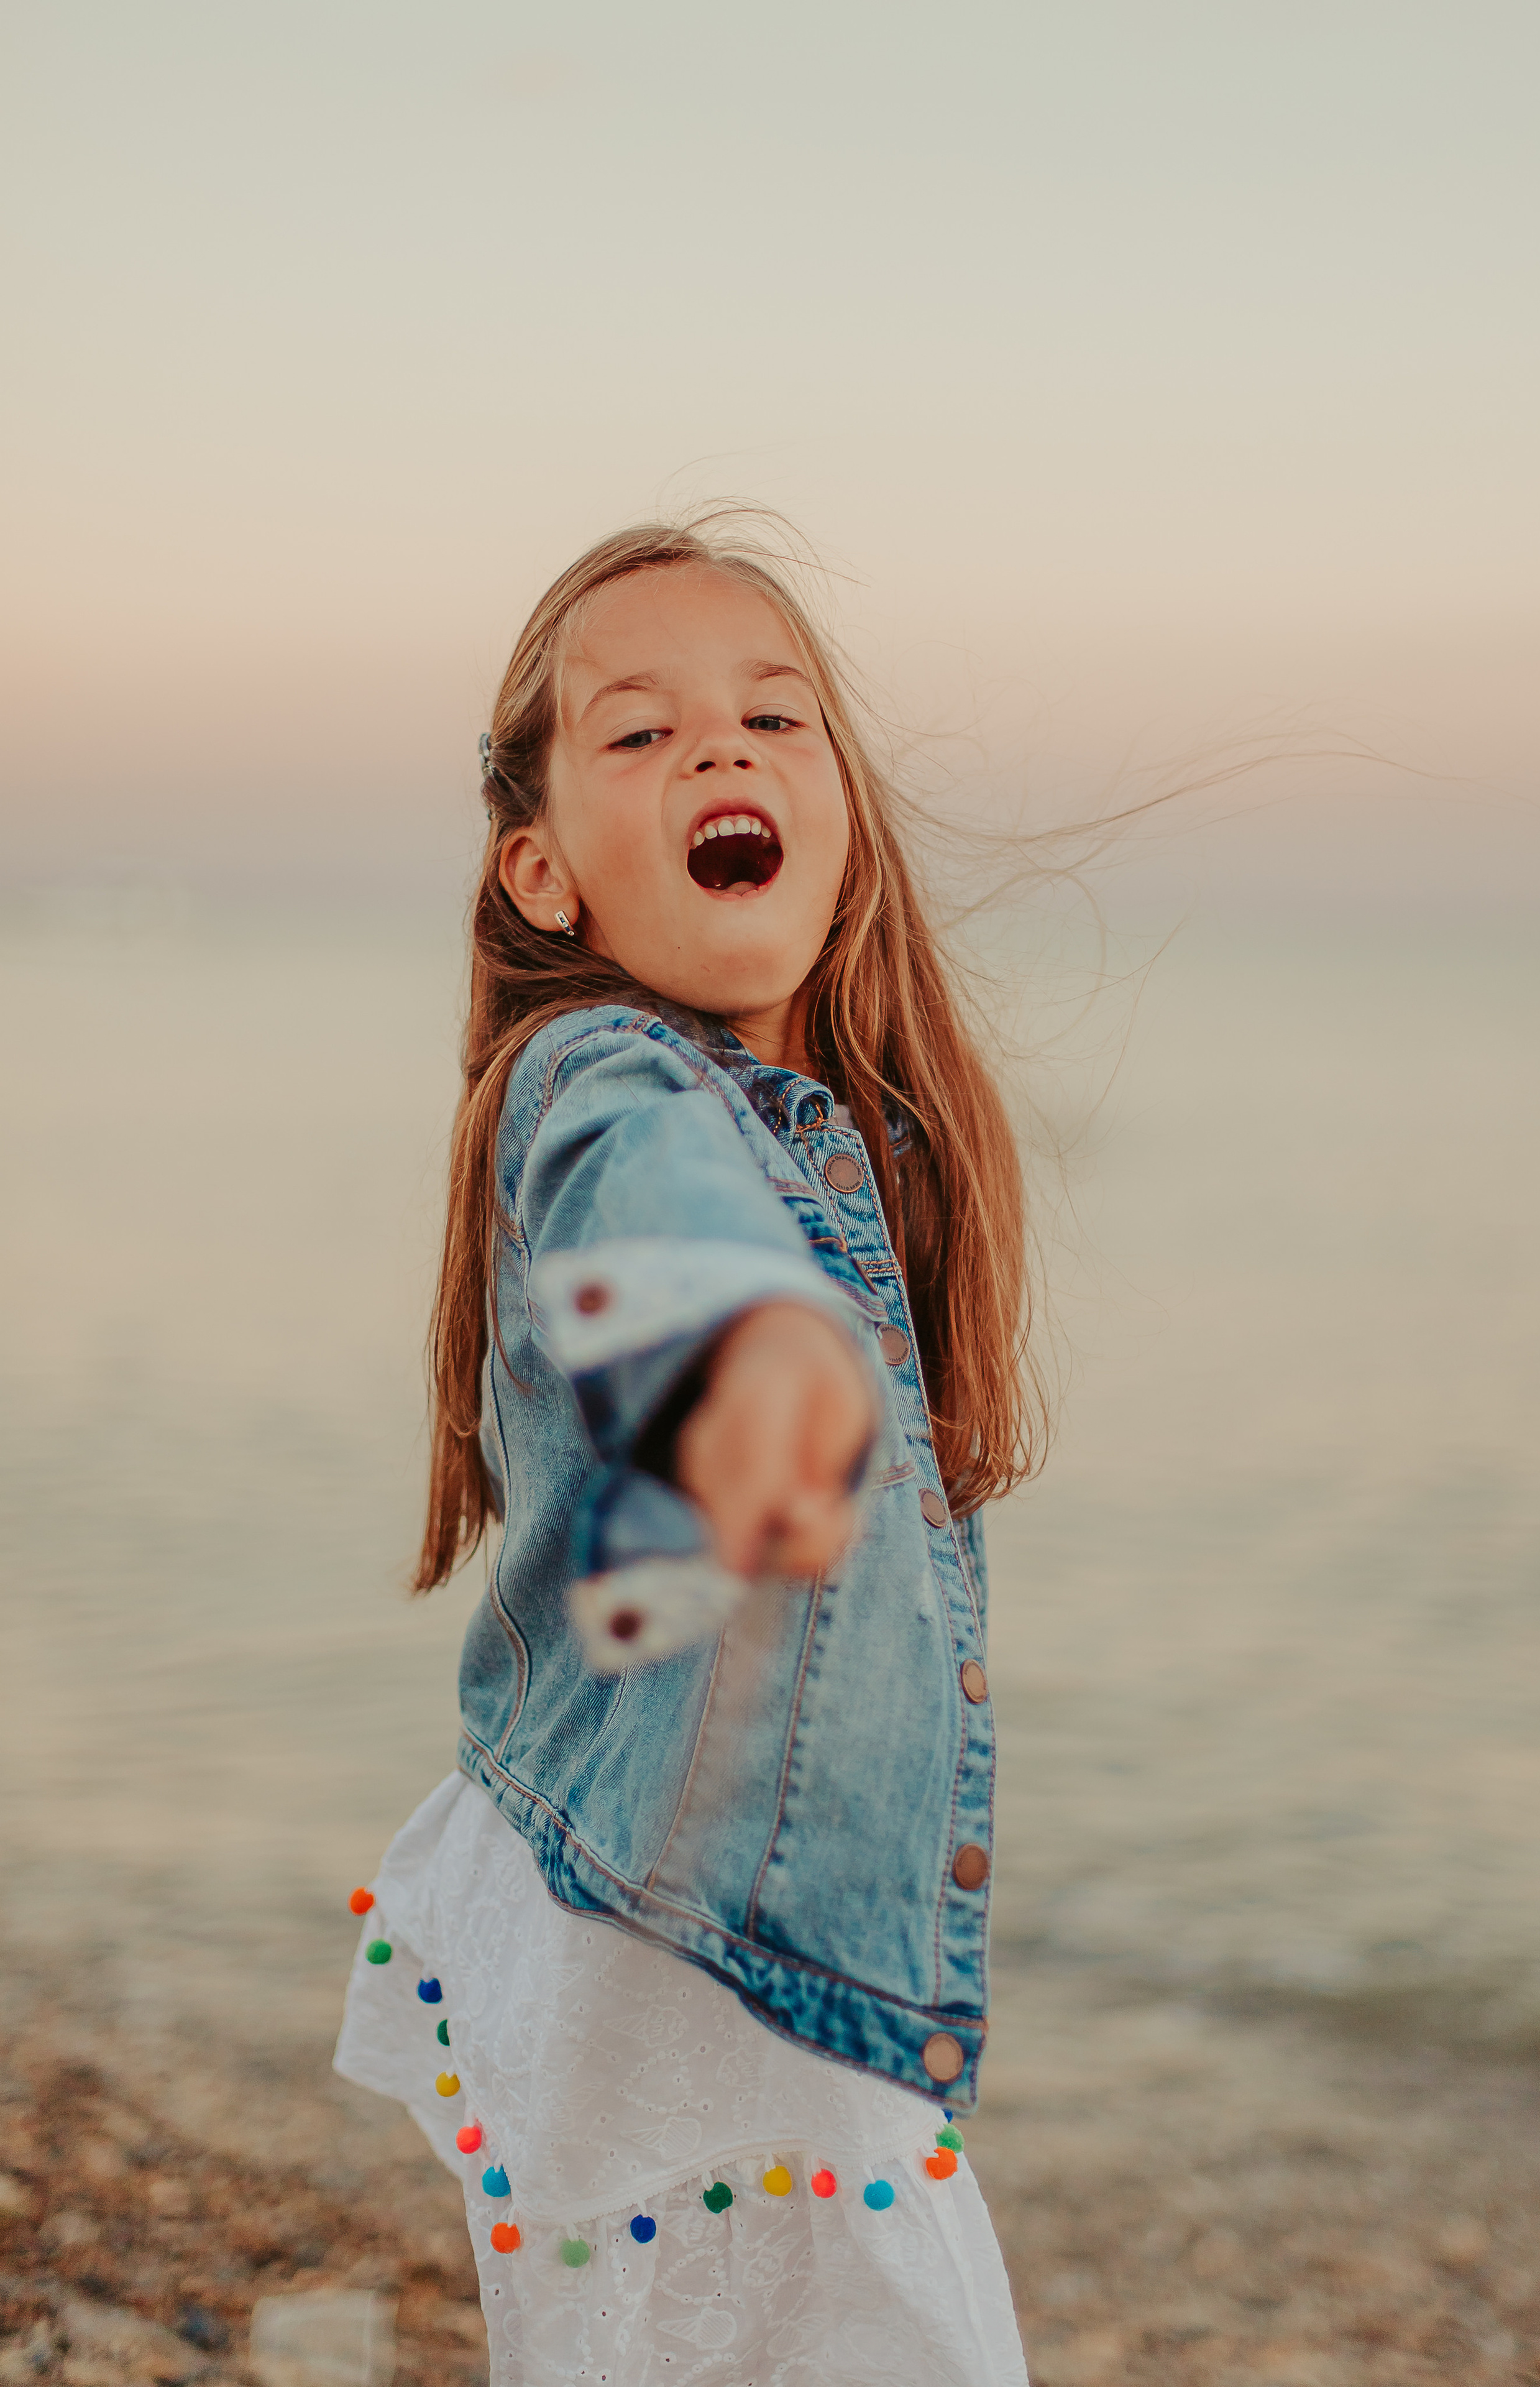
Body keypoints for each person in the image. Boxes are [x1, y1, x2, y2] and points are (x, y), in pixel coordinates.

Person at [334, 517, 1038, 2384]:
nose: (721, 751)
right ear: (544, 872)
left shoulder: (860, 1139)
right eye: (638, 734)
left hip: (686, 1916)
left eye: (774, 716)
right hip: (657, 1951)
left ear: (842, 817)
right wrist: (747, 1350)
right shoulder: (593, 1084)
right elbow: (649, 1201)